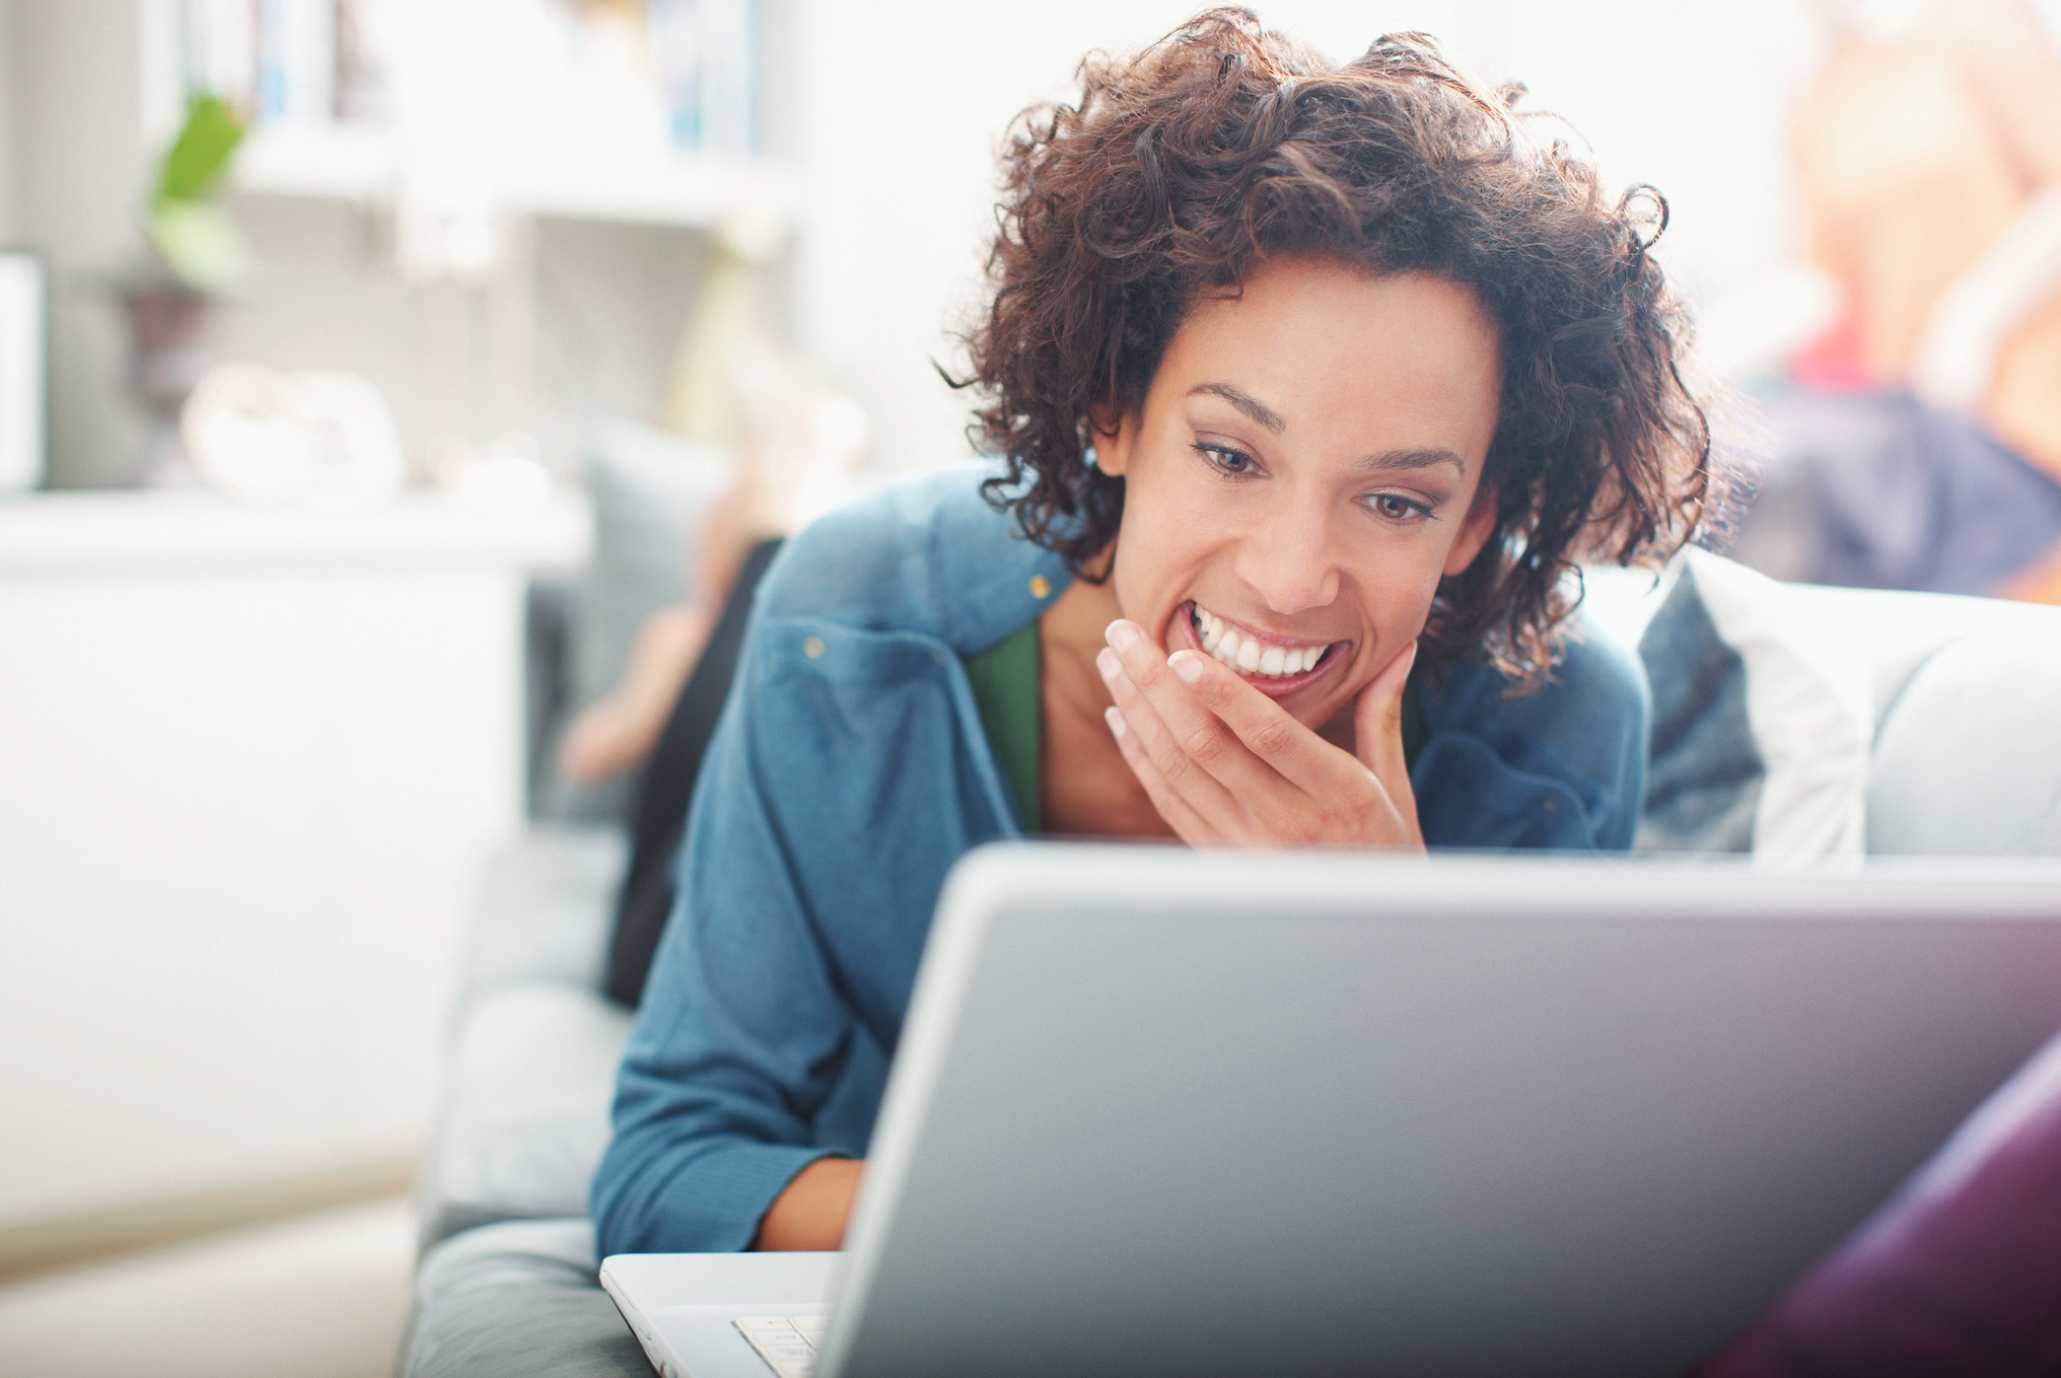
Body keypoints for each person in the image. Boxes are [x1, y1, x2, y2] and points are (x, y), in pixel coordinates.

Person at [592, 9, 1713, 1259]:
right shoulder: (853, 627)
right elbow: (666, 1172)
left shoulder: (1558, 730)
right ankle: (726, 576)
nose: (1291, 581)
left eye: (1396, 499)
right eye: (1231, 453)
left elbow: (1528, 1260)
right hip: (798, 653)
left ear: (1475, 521)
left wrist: (1392, 963)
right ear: (1116, 410)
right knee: (751, 626)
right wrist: (1100, 1233)